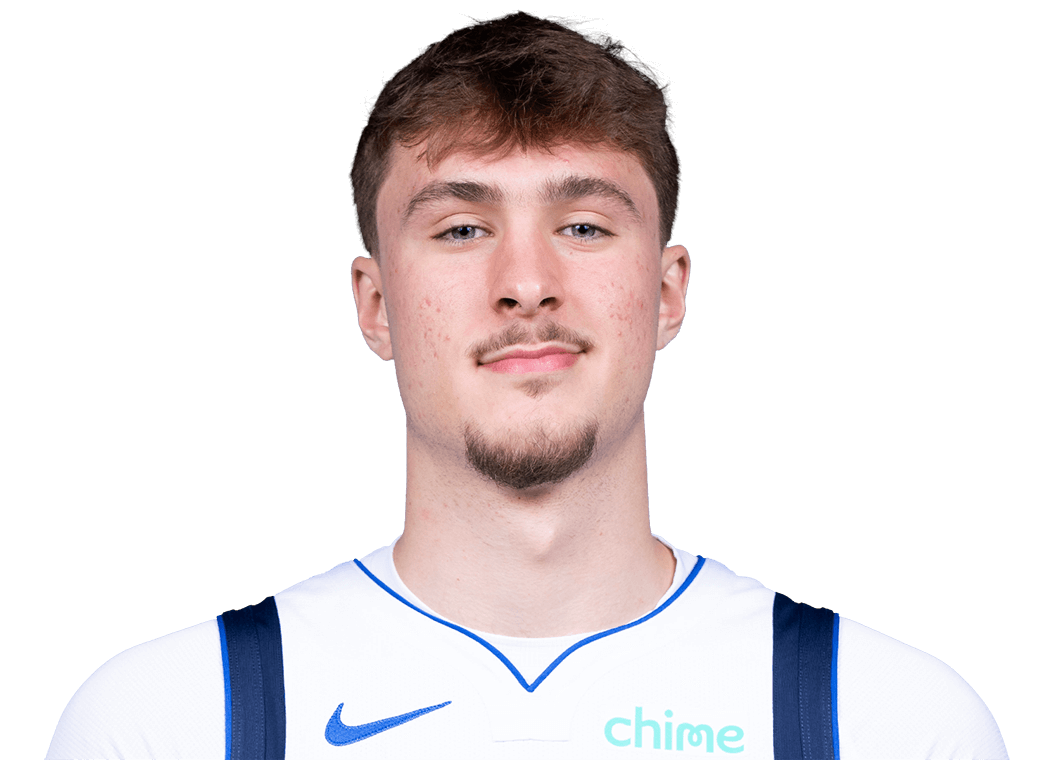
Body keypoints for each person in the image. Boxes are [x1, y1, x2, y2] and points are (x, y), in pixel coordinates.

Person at [47, 12, 1007, 759]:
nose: (526, 283)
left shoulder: (890, 723)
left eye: (584, 225)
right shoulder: (169, 722)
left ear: (667, 293)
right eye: (461, 228)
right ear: (374, 304)